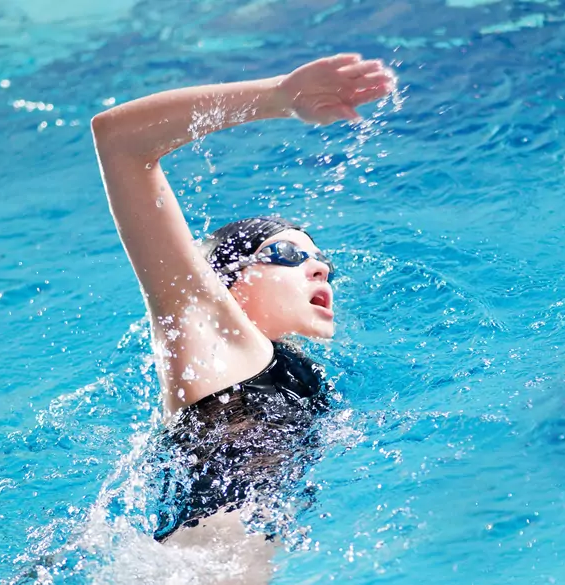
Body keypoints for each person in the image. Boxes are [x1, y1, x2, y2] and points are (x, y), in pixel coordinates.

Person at [90, 54, 395, 581]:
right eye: (289, 255)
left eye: (323, 261)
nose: (319, 266)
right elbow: (119, 140)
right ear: (225, 279)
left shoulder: (278, 369)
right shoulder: (211, 333)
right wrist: (280, 96)